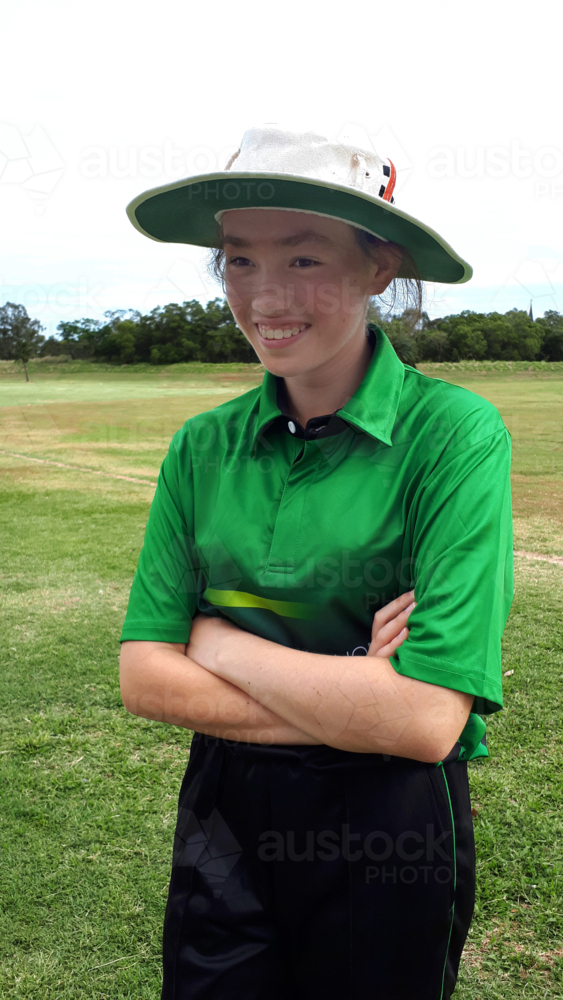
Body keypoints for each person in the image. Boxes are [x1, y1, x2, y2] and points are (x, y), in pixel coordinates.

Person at [119, 123, 514, 1000]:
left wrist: (217, 644)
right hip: (223, 806)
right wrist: (357, 697)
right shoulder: (201, 445)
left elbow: (421, 726)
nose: (263, 296)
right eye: (239, 260)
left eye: (302, 260)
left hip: (389, 819)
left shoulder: (452, 434)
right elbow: (145, 677)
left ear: (379, 266)